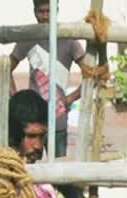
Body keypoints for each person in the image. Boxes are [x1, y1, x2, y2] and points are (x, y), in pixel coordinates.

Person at [10, 0, 85, 158]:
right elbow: (5, 68)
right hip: (33, 121)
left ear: (56, 10)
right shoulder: (29, 38)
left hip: (58, 118)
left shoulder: (69, 39)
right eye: (40, 12)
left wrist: (69, 99)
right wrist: (16, 98)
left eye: (48, 11)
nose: (44, 16)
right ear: (34, 11)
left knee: (58, 171)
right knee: (28, 168)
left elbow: (91, 75)